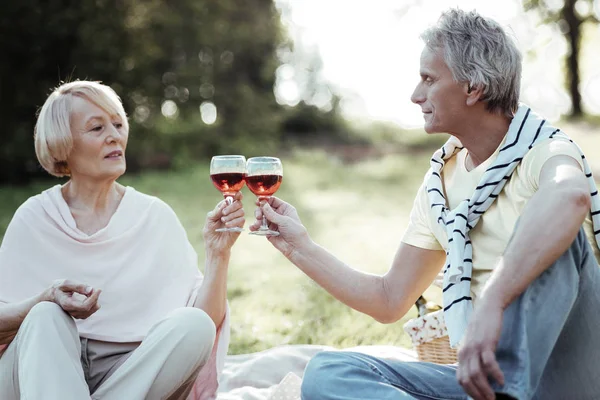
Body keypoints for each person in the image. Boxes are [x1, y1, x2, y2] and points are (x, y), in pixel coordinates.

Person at [250, 8, 600, 400]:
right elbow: (388, 299)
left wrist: (492, 303)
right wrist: (299, 247)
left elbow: (570, 196)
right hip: (482, 383)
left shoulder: (547, 150)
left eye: (429, 80)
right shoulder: (441, 184)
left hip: (565, 376)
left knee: (557, 234)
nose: (416, 95)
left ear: (473, 88)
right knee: (329, 372)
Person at [0, 81, 245, 400]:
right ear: (63, 144)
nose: (114, 135)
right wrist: (43, 300)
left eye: (118, 124)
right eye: (97, 128)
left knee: (194, 324)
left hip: (127, 377)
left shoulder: (154, 216)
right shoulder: (34, 217)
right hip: (35, 372)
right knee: (46, 315)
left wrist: (218, 253)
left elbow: (206, 322)